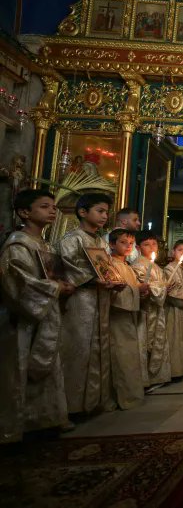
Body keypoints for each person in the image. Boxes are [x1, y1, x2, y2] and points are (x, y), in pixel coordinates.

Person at [0, 189, 74, 442]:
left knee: (49, 362)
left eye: (53, 206)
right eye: (44, 206)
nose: (52, 210)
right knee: (20, 368)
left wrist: (64, 285)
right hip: (24, 320)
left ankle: (46, 417)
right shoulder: (18, 244)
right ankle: (17, 425)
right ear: (24, 212)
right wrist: (57, 287)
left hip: (47, 313)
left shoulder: (45, 244)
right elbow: (18, 284)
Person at [57, 192, 116, 415]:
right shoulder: (72, 239)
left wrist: (113, 280)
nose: (104, 216)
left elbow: (107, 267)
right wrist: (95, 280)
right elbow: (71, 266)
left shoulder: (100, 241)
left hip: (100, 298)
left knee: (98, 349)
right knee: (79, 348)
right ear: (83, 212)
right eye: (100, 211)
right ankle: (73, 406)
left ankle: (95, 401)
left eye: (106, 212)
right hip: (81, 300)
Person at [108, 229, 148, 409]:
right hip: (117, 317)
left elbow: (131, 288)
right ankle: (123, 396)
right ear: (111, 244)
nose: (128, 247)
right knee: (121, 354)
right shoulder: (110, 264)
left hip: (129, 315)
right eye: (123, 242)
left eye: (131, 243)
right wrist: (136, 290)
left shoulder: (128, 267)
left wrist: (141, 291)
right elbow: (116, 291)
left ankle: (132, 393)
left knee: (130, 354)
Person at [131, 231, 170, 386]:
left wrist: (166, 287)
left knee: (157, 341)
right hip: (145, 311)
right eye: (147, 244)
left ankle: (157, 376)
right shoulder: (137, 265)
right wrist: (164, 287)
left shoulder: (157, 267)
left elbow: (162, 286)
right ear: (138, 247)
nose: (152, 247)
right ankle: (144, 379)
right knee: (145, 342)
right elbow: (144, 286)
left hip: (157, 310)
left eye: (154, 244)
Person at [164, 240, 183, 378]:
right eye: (180, 250)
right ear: (173, 251)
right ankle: (175, 369)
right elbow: (170, 290)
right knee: (175, 338)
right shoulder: (169, 268)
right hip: (175, 309)